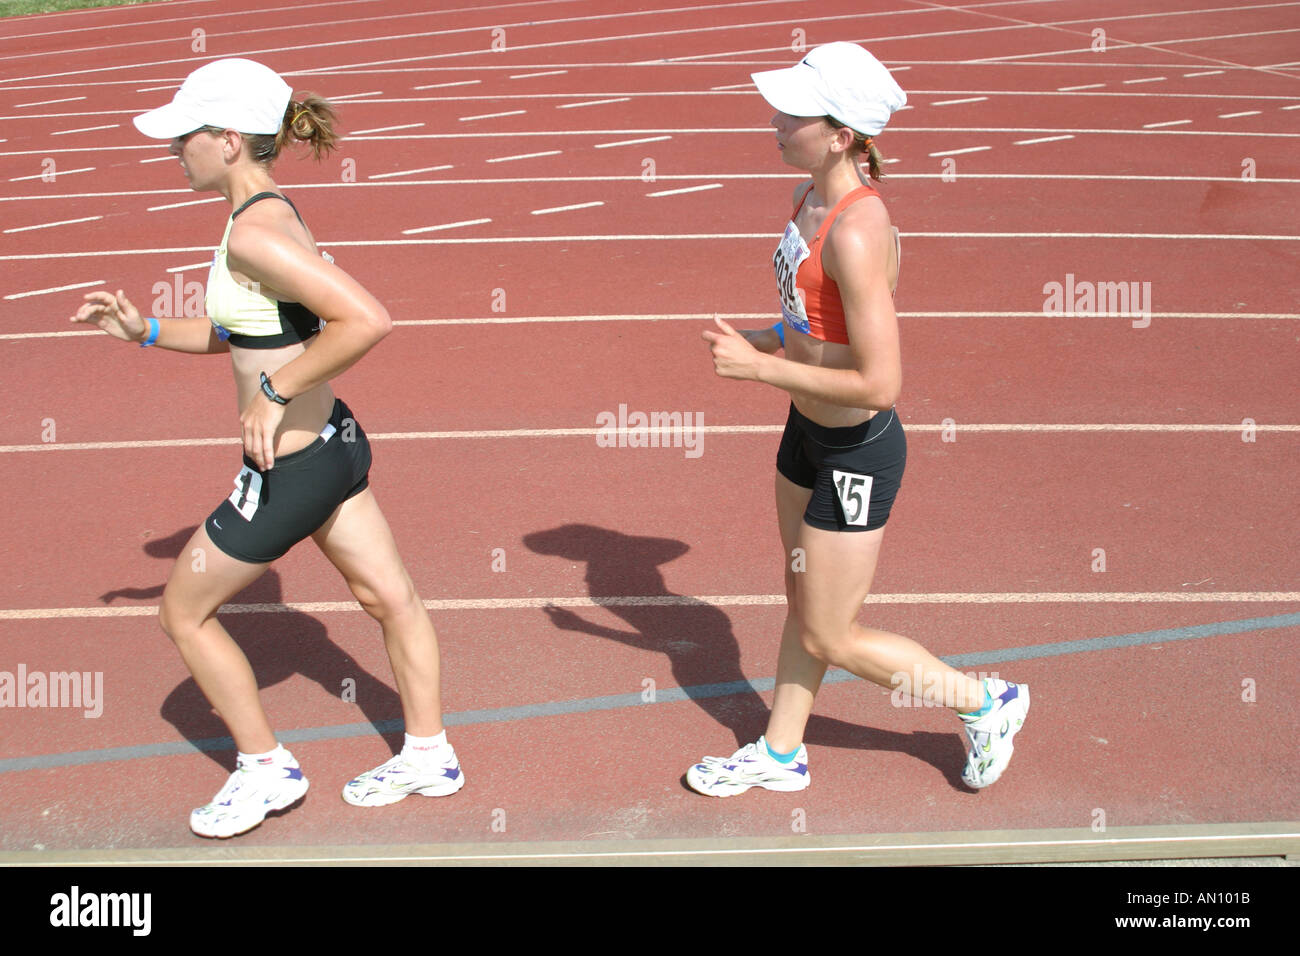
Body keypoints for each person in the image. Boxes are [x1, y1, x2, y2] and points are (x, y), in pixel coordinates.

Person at [70, 58, 464, 837]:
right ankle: (430, 755)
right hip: (333, 447)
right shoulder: (261, 214)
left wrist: (276, 394)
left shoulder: (254, 232)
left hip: (290, 470)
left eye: (183, 135)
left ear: (225, 139)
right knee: (392, 599)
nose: (172, 149)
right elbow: (243, 333)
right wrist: (144, 330)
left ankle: (265, 769)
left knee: (184, 614)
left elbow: (367, 319)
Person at [690, 43, 1029, 797]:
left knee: (830, 632)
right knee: (802, 596)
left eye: (793, 114)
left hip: (855, 452)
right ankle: (780, 753)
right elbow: (815, 324)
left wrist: (760, 371)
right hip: (804, 433)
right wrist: (767, 340)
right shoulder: (807, 199)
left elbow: (881, 380)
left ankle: (984, 701)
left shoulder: (856, 227)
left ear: (840, 134)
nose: (775, 122)